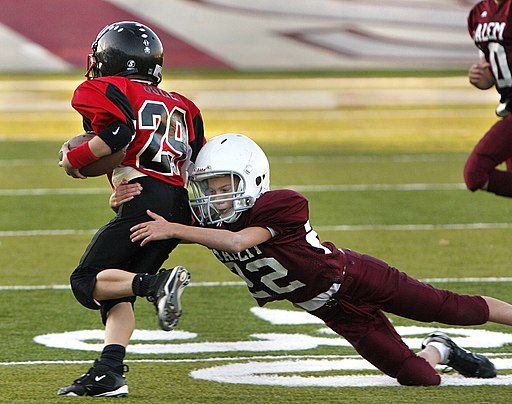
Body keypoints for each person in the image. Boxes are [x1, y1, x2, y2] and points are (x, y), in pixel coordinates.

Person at [127, 133, 512, 386]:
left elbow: (239, 240)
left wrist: (175, 230)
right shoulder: (205, 220)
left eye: (223, 186)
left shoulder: (281, 204)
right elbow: (160, 204)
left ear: (251, 179)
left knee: (453, 308)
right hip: (331, 310)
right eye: (208, 187)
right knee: (418, 378)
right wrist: (121, 193)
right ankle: (441, 348)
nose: (214, 196)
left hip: (357, 277)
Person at [57, 21, 205, 397]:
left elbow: (120, 134)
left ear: (109, 58)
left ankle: (157, 284)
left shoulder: (102, 88)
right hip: (173, 204)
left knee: (87, 281)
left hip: (144, 202)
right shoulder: (183, 105)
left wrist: (73, 161)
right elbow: (193, 161)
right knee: (113, 290)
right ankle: (109, 372)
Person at [464, 0, 512, 197]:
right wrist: (485, 78)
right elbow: (490, 68)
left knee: (475, 173)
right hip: (508, 106)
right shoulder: (478, 13)